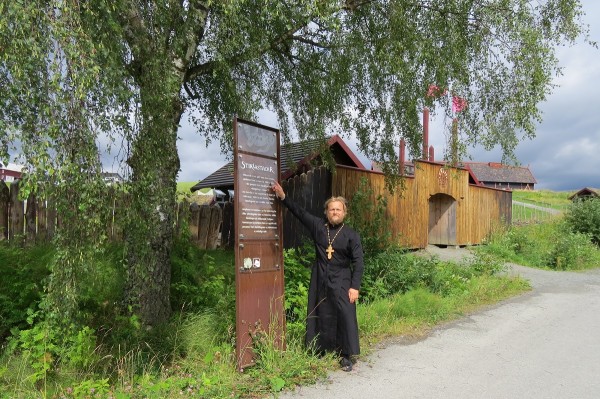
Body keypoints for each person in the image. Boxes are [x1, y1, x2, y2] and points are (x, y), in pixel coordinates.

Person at [271, 181, 364, 371]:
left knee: (345, 313)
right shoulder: (318, 227)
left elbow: (359, 262)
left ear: (344, 212)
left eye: (338, 209)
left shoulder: (351, 235)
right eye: (331, 209)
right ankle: (320, 348)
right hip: (320, 276)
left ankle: (345, 355)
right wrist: (283, 197)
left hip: (343, 277)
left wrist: (355, 287)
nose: (335, 212)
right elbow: (300, 213)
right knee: (321, 311)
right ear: (326, 212)